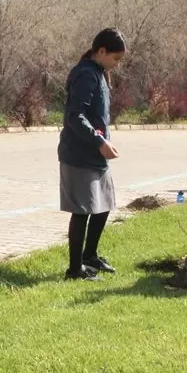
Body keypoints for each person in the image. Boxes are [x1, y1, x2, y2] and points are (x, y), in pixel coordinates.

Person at [58, 28, 126, 280]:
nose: (116, 65)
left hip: (96, 154)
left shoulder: (99, 74)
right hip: (79, 154)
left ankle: (90, 256)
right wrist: (99, 142)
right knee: (83, 210)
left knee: (104, 204)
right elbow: (75, 115)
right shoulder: (86, 74)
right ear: (101, 51)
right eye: (115, 59)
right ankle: (74, 270)